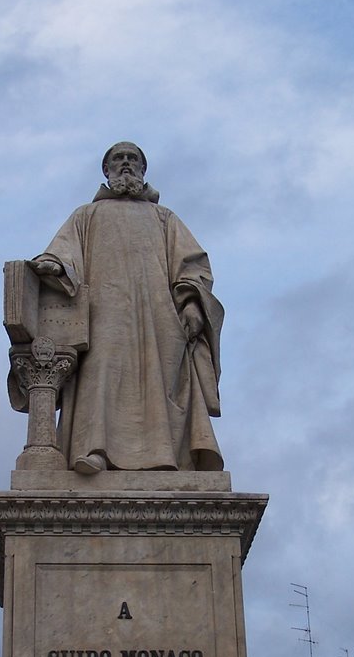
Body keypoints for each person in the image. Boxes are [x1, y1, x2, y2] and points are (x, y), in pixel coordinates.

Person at [31, 141, 224, 474]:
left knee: (161, 380)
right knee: (102, 371)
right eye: (117, 159)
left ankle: (167, 457)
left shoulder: (164, 218)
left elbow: (193, 266)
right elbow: (62, 252)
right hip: (104, 313)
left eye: (132, 159)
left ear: (143, 170)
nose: (125, 163)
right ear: (106, 171)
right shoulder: (86, 215)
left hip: (159, 315)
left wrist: (192, 303)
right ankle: (95, 450)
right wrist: (55, 266)